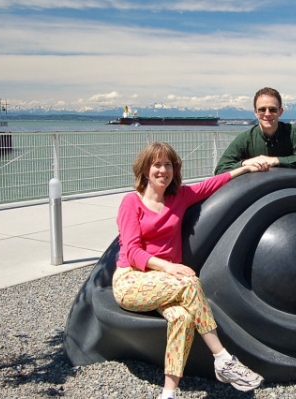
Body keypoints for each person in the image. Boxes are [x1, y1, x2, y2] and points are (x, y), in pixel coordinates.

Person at [113, 142, 264, 399]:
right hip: (133, 280)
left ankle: (168, 394)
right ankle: (222, 358)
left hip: (166, 282)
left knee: (182, 319)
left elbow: (212, 184)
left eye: (168, 165)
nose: (163, 170)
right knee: (189, 282)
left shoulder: (179, 197)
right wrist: (169, 267)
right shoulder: (131, 202)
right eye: (157, 165)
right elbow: (133, 252)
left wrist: (244, 167)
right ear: (145, 170)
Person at [214, 87, 296, 174]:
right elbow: (220, 171)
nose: (267, 114)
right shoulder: (245, 140)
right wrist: (245, 164)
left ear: (280, 112)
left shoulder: (292, 133)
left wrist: (275, 161)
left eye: (272, 109)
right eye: (262, 109)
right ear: (255, 112)